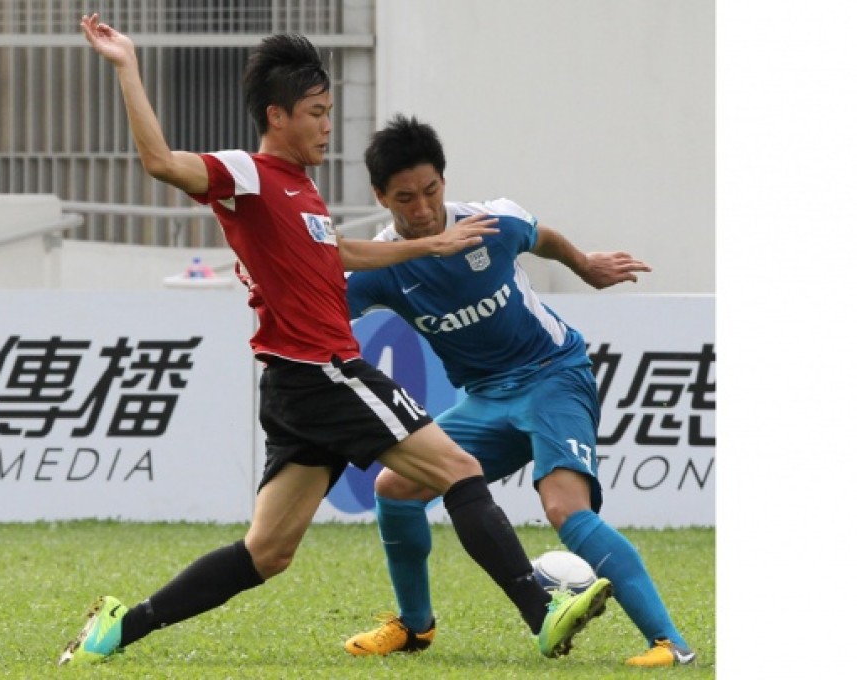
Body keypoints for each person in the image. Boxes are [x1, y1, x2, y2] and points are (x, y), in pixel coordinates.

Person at [59, 15, 612, 666]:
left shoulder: (301, 189)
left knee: (266, 553)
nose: (329, 125)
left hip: (297, 386)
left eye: (330, 110)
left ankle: (120, 629)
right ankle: (542, 612)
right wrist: (127, 65)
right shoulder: (252, 175)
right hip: (325, 371)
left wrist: (427, 244)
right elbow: (160, 162)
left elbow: (338, 253)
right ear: (277, 115)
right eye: (317, 113)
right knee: (458, 469)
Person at [341, 115, 696, 668]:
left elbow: (541, 235)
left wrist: (586, 265)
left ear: (443, 180)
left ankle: (672, 645)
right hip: (485, 399)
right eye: (405, 198)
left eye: (431, 191)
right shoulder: (381, 268)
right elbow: (324, 311)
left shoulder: (491, 223)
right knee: (394, 489)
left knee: (563, 507)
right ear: (380, 196)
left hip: (554, 373)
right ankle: (415, 627)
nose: (423, 209)